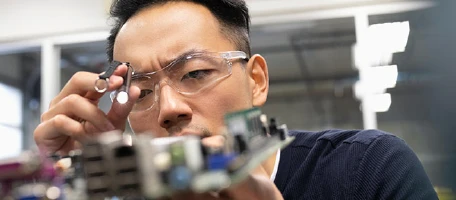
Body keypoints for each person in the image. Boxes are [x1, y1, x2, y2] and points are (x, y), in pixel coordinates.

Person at [34, 0, 438, 199]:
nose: (171, 109)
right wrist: (57, 181)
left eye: (195, 73)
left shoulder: (365, 170)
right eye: (141, 92)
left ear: (257, 80)